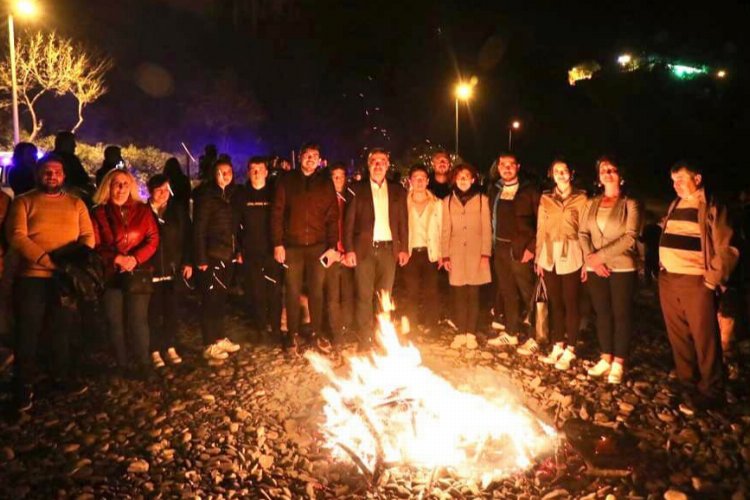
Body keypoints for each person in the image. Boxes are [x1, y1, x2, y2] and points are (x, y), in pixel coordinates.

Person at [6, 154, 94, 410]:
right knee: (28, 332)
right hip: (32, 278)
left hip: (64, 279)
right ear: (38, 174)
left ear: (64, 176)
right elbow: (17, 236)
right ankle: (23, 384)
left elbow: (88, 236)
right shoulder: (23, 202)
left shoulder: (77, 204)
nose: (52, 176)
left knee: (61, 329)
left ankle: (60, 375)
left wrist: (71, 262)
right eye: (47, 171)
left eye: (57, 172)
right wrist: (46, 260)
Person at [659, 161, 738, 409]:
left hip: (696, 281)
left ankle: (712, 390)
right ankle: (687, 384)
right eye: (673, 180)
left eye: (681, 179)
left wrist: (710, 280)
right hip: (669, 278)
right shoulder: (676, 204)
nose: (676, 185)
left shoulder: (712, 206)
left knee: (705, 338)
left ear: (698, 178)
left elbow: (727, 248)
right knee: (678, 336)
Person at [579, 157, 642, 384]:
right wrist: (592, 260)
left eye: (613, 170)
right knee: (602, 313)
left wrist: (600, 257)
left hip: (622, 266)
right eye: (604, 170)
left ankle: (619, 363)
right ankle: (605, 357)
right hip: (595, 267)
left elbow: (630, 236)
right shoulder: (591, 203)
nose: (608, 173)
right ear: (599, 176)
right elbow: (583, 233)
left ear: (621, 176)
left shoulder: (630, 204)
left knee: (621, 314)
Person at [271, 143, 339, 351]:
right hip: (292, 247)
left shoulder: (325, 183)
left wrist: (332, 246)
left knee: (317, 292)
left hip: (318, 247)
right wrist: (278, 244)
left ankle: (316, 334)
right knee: (291, 291)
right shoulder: (287, 180)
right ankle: (292, 335)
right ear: (300, 157)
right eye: (307, 155)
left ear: (319, 160)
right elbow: (277, 214)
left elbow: (332, 216)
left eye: (315, 156)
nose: (311, 159)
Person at [92, 169, 159, 378]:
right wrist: (115, 258)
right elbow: (94, 244)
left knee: (138, 319)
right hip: (111, 274)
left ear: (131, 186)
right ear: (108, 186)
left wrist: (135, 258)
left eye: (125, 184)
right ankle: (121, 363)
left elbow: (153, 238)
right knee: (114, 320)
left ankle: (143, 363)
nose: (121, 188)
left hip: (137, 273)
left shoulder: (142, 210)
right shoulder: (98, 212)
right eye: (116, 184)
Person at [344, 148, 409, 348]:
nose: (378, 165)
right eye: (375, 161)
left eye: (382, 161)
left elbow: (403, 223)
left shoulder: (398, 190)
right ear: (369, 165)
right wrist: (349, 249)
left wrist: (404, 248)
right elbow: (348, 223)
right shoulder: (357, 189)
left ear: (388, 165)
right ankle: (365, 338)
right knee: (364, 296)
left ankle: (382, 337)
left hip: (388, 251)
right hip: (364, 251)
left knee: (384, 297)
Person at [534, 160, 588, 369]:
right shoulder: (546, 198)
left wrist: (585, 260)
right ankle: (558, 344)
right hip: (549, 254)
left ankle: (571, 348)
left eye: (564, 171)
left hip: (572, 253)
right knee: (555, 303)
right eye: (556, 171)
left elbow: (584, 229)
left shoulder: (581, 198)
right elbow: (540, 228)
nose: (560, 174)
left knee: (571, 302)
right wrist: (539, 256)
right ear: (552, 175)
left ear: (571, 174)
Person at [486, 153, 541, 351]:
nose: (507, 168)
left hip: (520, 250)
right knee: (508, 292)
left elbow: (541, 223)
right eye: (503, 165)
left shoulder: (530, 191)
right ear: (498, 167)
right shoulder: (495, 189)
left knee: (528, 293)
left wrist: (531, 248)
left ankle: (536, 336)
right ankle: (511, 333)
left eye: (511, 165)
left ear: (518, 166)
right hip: (500, 248)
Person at [193, 159, 242, 362]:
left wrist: (237, 250)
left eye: (228, 171)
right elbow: (199, 228)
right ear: (214, 174)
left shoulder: (232, 195)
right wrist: (201, 257)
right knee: (210, 300)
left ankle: (219, 337)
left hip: (227, 256)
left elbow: (235, 228)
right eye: (220, 172)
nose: (224, 175)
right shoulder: (207, 196)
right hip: (212, 255)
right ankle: (209, 344)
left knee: (220, 300)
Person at [146, 174, 192, 368]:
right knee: (153, 312)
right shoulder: (143, 211)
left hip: (174, 269)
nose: (164, 194)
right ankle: (154, 349)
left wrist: (188, 262)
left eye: (166, 189)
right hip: (151, 270)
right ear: (150, 191)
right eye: (159, 190)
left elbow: (188, 236)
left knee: (172, 310)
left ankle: (170, 345)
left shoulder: (178, 211)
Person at [235, 157, 282, 342]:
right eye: (253, 169)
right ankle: (261, 327)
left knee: (275, 290)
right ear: (248, 172)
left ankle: (276, 327)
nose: (256, 173)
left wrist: (281, 245)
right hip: (250, 251)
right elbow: (235, 224)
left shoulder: (274, 193)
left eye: (260, 169)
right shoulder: (241, 195)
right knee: (256, 292)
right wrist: (238, 249)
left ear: (266, 172)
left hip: (272, 250)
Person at [441, 164, 491, 336]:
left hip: (476, 253)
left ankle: (471, 333)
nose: (463, 180)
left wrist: (485, 254)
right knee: (459, 295)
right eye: (459, 177)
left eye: (466, 176)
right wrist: (445, 255)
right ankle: (461, 332)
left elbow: (486, 228)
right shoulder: (447, 201)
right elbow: (446, 230)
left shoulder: (482, 200)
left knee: (473, 294)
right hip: (455, 254)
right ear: (454, 179)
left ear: (473, 179)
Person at [402, 164, 442, 332]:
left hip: (430, 253)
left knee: (430, 291)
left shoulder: (437, 204)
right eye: (415, 178)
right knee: (411, 292)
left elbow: (442, 229)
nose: (419, 181)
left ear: (427, 181)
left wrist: (442, 254)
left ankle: (431, 325)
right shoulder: (403, 203)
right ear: (410, 181)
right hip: (411, 253)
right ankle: (411, 325)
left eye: (422, 178)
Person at [324, 163, 355, 345]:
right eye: (334, 176)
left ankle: (347, 328)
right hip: (331, 253)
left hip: (348, 253)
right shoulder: (324, 200)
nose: (338, 180)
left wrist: (349, 251)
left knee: (349, 294)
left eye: (341, 176)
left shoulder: (350, 200)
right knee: (333, 295)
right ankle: (336, 333)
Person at [53, 131, 94, 200]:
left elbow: (83, 178)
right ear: (64, 143)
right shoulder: (53, 160)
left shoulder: (72, 159)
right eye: (72, 143)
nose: (75, 146)